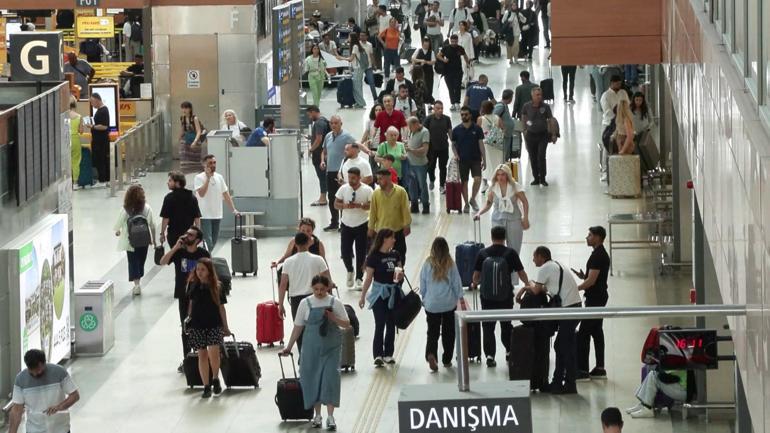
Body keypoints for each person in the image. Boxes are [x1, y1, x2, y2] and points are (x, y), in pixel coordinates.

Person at [280, 275, 350, 430]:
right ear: (312, 288)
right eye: (316, 289)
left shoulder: (335, 303)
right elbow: (298, 327)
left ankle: (330, 416)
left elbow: (346, 324)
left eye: (322, 289)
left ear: (328, 288)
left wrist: (333, 318)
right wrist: (289, 347)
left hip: (332, 348)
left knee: (331, 379)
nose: (319, 292)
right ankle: (317, 415)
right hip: (311, 349)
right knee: (312, 379)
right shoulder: (305, 303)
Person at [523, 246, 583, 394]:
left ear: (541, 257)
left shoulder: (544, 268)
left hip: (569, 310)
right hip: (575, 306)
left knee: (562, 346)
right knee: (563, 346)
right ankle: (560, 382)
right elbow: (547, 288)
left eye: (534, 256)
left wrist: (528, 284)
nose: (533, 260)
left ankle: (568, 384)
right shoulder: (556, 265)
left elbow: (536, 290)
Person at [471, 226, 529, 366]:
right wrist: (528, 285)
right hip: (505, 297)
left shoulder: (482, 253)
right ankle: (509, 351)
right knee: (506, 325)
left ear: (492, 237)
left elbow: (475, 278)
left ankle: (490, 356)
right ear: (504, 238)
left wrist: (477, 283)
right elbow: (521, 273)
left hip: (487, 298)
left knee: (488, 327)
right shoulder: (510, 253)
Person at [160, 226, 211, 367]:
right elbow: (162, 261)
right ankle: (188, 359)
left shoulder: (203, 254)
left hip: (200, 295)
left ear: (197, 240)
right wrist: (175, 247)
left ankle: (202, 357)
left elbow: (211, 273)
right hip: (183, 295)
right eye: (186, 233)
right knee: (186, 327)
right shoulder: (179, 253)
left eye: (190, 235)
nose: (186, 236)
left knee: (201, 326)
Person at [185, 258, 231, 398]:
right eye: (198, 269)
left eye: (203, 269)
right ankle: (206, 385)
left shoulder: (217, 286)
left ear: (209, 271)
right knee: (202, 355)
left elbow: (221, 308)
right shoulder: (193, 285)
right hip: (197, 324)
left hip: (214, 324)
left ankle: (215, 377)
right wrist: (188, 320)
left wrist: (225, 326)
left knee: (214, 353)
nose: (199, 272)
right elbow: (191, 305)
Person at [278, 232, 331, 351]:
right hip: (315, 297)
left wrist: (280, 304)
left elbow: (283, 284)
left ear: (295, 244)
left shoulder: (288, 262)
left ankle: (303, 355)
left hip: (296, 300)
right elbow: (327, 281)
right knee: (317, 329)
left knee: (299, 329)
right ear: (309, 243)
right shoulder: (318, 259)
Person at [358, 229, 404, 366]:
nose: (394, 240)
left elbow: (400, 271)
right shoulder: (374, 256)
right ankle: (378, 354)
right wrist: (362, 296)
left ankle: (389, 354)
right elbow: (368, 278)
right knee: (380, 323)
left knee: (391, 323)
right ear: (384, 239)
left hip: (393, 293)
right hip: (379, 294)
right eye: (392, 238)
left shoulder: (396, 255)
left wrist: (400, 276)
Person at [8, 349, 80, 433]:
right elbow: (16, 411)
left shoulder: (59, 372)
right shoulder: (21, 380)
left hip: (60, 429)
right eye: (33, 371)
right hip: (34, 430)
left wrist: (59, 407)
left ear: (44, 362)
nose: (36, 373)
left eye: (39, 369)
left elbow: (75, 395)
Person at [420, 237, 463, 370]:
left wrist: (425, 297)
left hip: (432, 304)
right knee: (449, 332)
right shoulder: (450, 264)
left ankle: (431, 354)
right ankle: (447, 359)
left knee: (432, 332)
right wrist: (460, 298)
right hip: (448, 304)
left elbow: (423, 284)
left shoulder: (427, 264)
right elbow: (456, 283)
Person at [574, 226, 611, 381]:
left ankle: (582, 370)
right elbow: (593, 277)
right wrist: (584, 276)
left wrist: (575, 289)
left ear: (597, 237)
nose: (587, 237)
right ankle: (600, 368)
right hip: (600, 296)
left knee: (583, 333)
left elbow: (591, 281)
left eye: (590, 235)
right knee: (596, 331)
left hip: (595, 299)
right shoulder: (600, 254)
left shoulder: (597, 256)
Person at [474, 164, 529, 253]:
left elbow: (525, 202)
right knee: (498, 247)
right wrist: (479, 213)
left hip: (514, 219)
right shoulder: (492, 188)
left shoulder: (515, 187)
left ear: (507, 175)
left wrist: (525, 218)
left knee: (514, 248)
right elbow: (488, 204)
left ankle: (513, 262)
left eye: (503, 174)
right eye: (498, 175)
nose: (500, 177)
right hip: (497, 219)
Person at [114, 184, 157, 296]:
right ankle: (138, 278)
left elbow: (119, 223)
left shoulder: (125, 209)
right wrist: (153, 240)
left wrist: (118, 231)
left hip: (130, 241)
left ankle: (136, 284)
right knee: (141, 260)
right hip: (144, 240)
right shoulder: (147, 208)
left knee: (133, 261)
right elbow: (152, 225)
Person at [335, 167, 374, 289]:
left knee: (361, 252)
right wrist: (345, 206)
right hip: (346, 224)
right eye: (349, 177)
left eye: (353, 178)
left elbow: (372, 205)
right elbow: (336, 204)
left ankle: (359, 277)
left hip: (362, 224)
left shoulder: (367, 190)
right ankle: (350, 270)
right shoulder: (343, 188)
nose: (351, 180)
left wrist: (360, 205)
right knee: (345, 251)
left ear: (359, 177)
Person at [194, 155, 239, 251]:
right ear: (204, 164)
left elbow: (226, 194)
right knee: (208, 242)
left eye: (214, 163)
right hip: (204, 215)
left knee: (214, 241)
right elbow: (201, 194)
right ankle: (206, 259)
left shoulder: (219, 177)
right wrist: (208, 178)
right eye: (210, 163)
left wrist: (234, 210)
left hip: (217, 214)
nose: (213, 165)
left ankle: (205, 257)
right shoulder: (199, 177)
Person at [320, 116, 357, 231]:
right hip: (330, 171)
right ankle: (334, 222)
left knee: (343, 197)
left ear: (341, 123)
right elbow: (324, 151)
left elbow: (356, 148)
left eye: (336, 123)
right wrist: (322, 161)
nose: (333, 125)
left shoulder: (347, 136)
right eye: (331, 123)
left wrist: (349, 160)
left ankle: (343, 223)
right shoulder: (328, 136)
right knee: (332, 197)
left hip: (341, 172)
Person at [368, 169, 411, 260]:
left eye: (380, 179)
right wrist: (371, 227)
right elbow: (373, 212)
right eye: (377, 179)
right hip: (381, 233)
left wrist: (407, 225)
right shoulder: (375, 194)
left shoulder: (401, 192)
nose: (378, 181)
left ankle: (399, 268)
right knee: (380, 258)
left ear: (388, 178)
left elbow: (405, 209)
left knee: (400, 256)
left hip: (397, 232)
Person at [451, 106, 486, 213]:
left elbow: (481, 144)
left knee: (478, 179)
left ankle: (472, 199)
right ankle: (466, 203)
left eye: (466, 114)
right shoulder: (456, 130)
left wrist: (484, 159)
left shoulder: (477, 129)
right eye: (462, 114)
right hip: (462, 160)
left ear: (470, 115)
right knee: (464, 182)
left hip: (476, 159)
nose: (464, 116)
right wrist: (456, 155)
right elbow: (453, 144)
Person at [159, 171, 202, 248]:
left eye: (170, 181)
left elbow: (166, 218)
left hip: (174, 234)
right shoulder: (192, 197)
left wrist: (162, 233)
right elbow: (197, 217)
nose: (167, 183)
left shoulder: (169, 198)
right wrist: (198, 234)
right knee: (187, 254)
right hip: (189, 235)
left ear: (177, 183)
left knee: (176, 254)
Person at [521, 86, 553, 186]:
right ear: (532, 96)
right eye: (537, 95)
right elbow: (524, 118)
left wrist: (553, 134)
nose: (539, 96)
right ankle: (536, 177)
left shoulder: (546, 107)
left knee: (541, 156)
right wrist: (525, 129)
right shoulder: (526, 106)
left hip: (543, 135)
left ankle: (543, 178)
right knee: (532, 157)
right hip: (530, 135)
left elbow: (550, 120)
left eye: (540, 95)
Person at [424, 101, 452, 193]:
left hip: (443, 147)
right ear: (434, 109)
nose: (440, 110)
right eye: (438, 108)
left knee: (443, 167)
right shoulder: (429, 119)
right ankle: (432, 179)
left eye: (441, 108)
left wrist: (454, 143)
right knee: (431, 167)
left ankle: (442, 185)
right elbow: (424, 132)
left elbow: (450, 132)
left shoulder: (447, 119)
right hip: (431, 148)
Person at [307, 106, 332, 207]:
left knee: (322, 176)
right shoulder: (325, 121)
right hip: (325, 153)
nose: (309, 117)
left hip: (319, 154)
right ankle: (324, 197)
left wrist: (311, 149)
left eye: (309, 115)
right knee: (324, 175)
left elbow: (319, 139)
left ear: (313, 112)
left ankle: (323, 198)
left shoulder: (318, 123)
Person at [437, 35, 470, 111]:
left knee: (457, 87)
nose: (454, 43)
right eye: (452, 41)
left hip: (458, 71)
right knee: (450, 88)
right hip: (447, 72)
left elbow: (465, 56)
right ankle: (452, 103)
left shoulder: (460, 48)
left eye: (455, 41)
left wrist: (467, 63)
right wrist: (443, 60)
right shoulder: (446, 48)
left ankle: (457, 102)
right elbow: (438, 55)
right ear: (450, 41)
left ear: (457, 41)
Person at [405, 116, 431, 213]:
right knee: (412, 185)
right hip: (410, 163)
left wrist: (411, 150)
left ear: (416, 124)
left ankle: (425, 205)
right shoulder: (411, 131)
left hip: (420, 164)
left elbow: (424, 150)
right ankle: (414, 205)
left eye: (410, 126)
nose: (409, 128)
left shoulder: (425, 132)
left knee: (422, 185)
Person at [335, 33, 367, 108]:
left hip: (358, 69)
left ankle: (361, 103)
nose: (348, 38)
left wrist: (341, 58)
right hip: (358, 69)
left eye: (349, 37)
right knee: (358, 86)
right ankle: (359, 102)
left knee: (356, 87)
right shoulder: (356, 46)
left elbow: (351, 59)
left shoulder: (355, 46)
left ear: (352, 38)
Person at [477, 100, 503, 191]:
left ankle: (484, 183)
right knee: (497, 162)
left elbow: (477, 131)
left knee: (485, 162)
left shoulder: (480, 119)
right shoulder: (497, 118)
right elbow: (502, 128)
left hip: (485, 144)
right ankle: (497, 182)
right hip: (496, 144)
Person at [88, 92, 111, 185]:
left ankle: (103, 179)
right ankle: (103, 178)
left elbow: (104, 126)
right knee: (99, 160)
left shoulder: (104, 111)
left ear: (97, 100)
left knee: (102, 160)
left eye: (92, 102)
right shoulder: (99, 110)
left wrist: (93, 127)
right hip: (97, 140)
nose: (92, 104)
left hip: (101, 141)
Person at [179, 101, 204, 174]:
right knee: (184, 157)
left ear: (190, 109)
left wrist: (195, 142)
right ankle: (184, 173)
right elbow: (182, 129)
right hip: (186, 139)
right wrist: (179, 138)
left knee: (195, 159)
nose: (184, 110)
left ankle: (200, 172)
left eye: (186, 108)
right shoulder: (182, 118)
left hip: (195, 139)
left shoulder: (194, 118)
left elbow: (198, 131)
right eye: (182, 108)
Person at [493, 89, 518, 159]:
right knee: (503, 154)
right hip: (503, 135)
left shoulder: (504, 105)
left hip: (506, 134)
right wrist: (502, 127)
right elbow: (494, 116)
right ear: (510, 98)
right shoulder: (500, 106)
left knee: (506, 153)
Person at [412, 37, 436, 103]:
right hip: (418, 72)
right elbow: (413, 58)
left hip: (428, 72)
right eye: (425, 45)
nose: (426, 46)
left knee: (429, 86)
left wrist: (426, 62)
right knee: (418, 85)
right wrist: (421, 60)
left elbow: (433, 61)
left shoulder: (431, 52)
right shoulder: (418, 50)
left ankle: (428, 100)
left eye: (427, 45)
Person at [68, 97, 84, 186]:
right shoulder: (79, 116)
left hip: (66, 139)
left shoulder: (64, 116)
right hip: (75, 139)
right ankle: (75, 182)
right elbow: (81, 131)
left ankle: (66, 181)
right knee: (76, 160)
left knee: (66, 160)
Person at [359, 32, 379, 100]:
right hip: (360, 67)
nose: (362, 37)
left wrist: (374, 64)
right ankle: (360, 99)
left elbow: (371, 55)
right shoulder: (357, 44)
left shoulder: (369, 45)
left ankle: (375, 98)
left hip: (368, 67)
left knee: (372, 83)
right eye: (361, 36)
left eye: (363, 35)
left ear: (366, 37)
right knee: (359, 84)